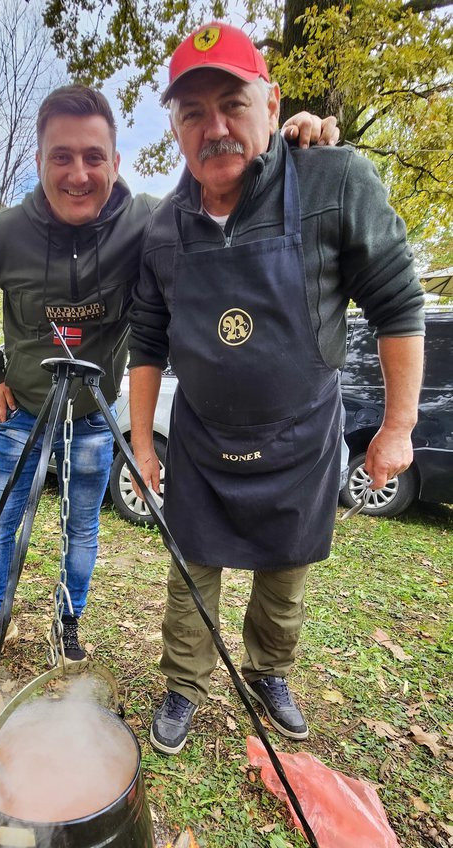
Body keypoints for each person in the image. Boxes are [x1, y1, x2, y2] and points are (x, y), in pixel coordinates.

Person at [0, 84, 340, 663]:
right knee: (0, 520)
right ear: (38, 161)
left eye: (93, 157)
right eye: (61, 156)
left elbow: (220, 195)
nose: (79, 173)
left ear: (115, 161)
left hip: (92, 416)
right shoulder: (4, 233)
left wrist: (287, 148)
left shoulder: (147, 222)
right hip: (23, 409)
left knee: (82, 527)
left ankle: (68, 622)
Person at [127, 22, 424, 753]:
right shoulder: (164, 227)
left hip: (301, 439)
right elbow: (145, 341)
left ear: (272, 103)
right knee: (190, 577)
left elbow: (398, 301)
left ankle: (269, 671)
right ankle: (184, 683)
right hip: (202, 442)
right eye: (193, 112)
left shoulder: (333, 180)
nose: (215, 126)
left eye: (233, 103)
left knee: (284, 577)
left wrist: (398, 426)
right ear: (174, 128)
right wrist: (142, 438)